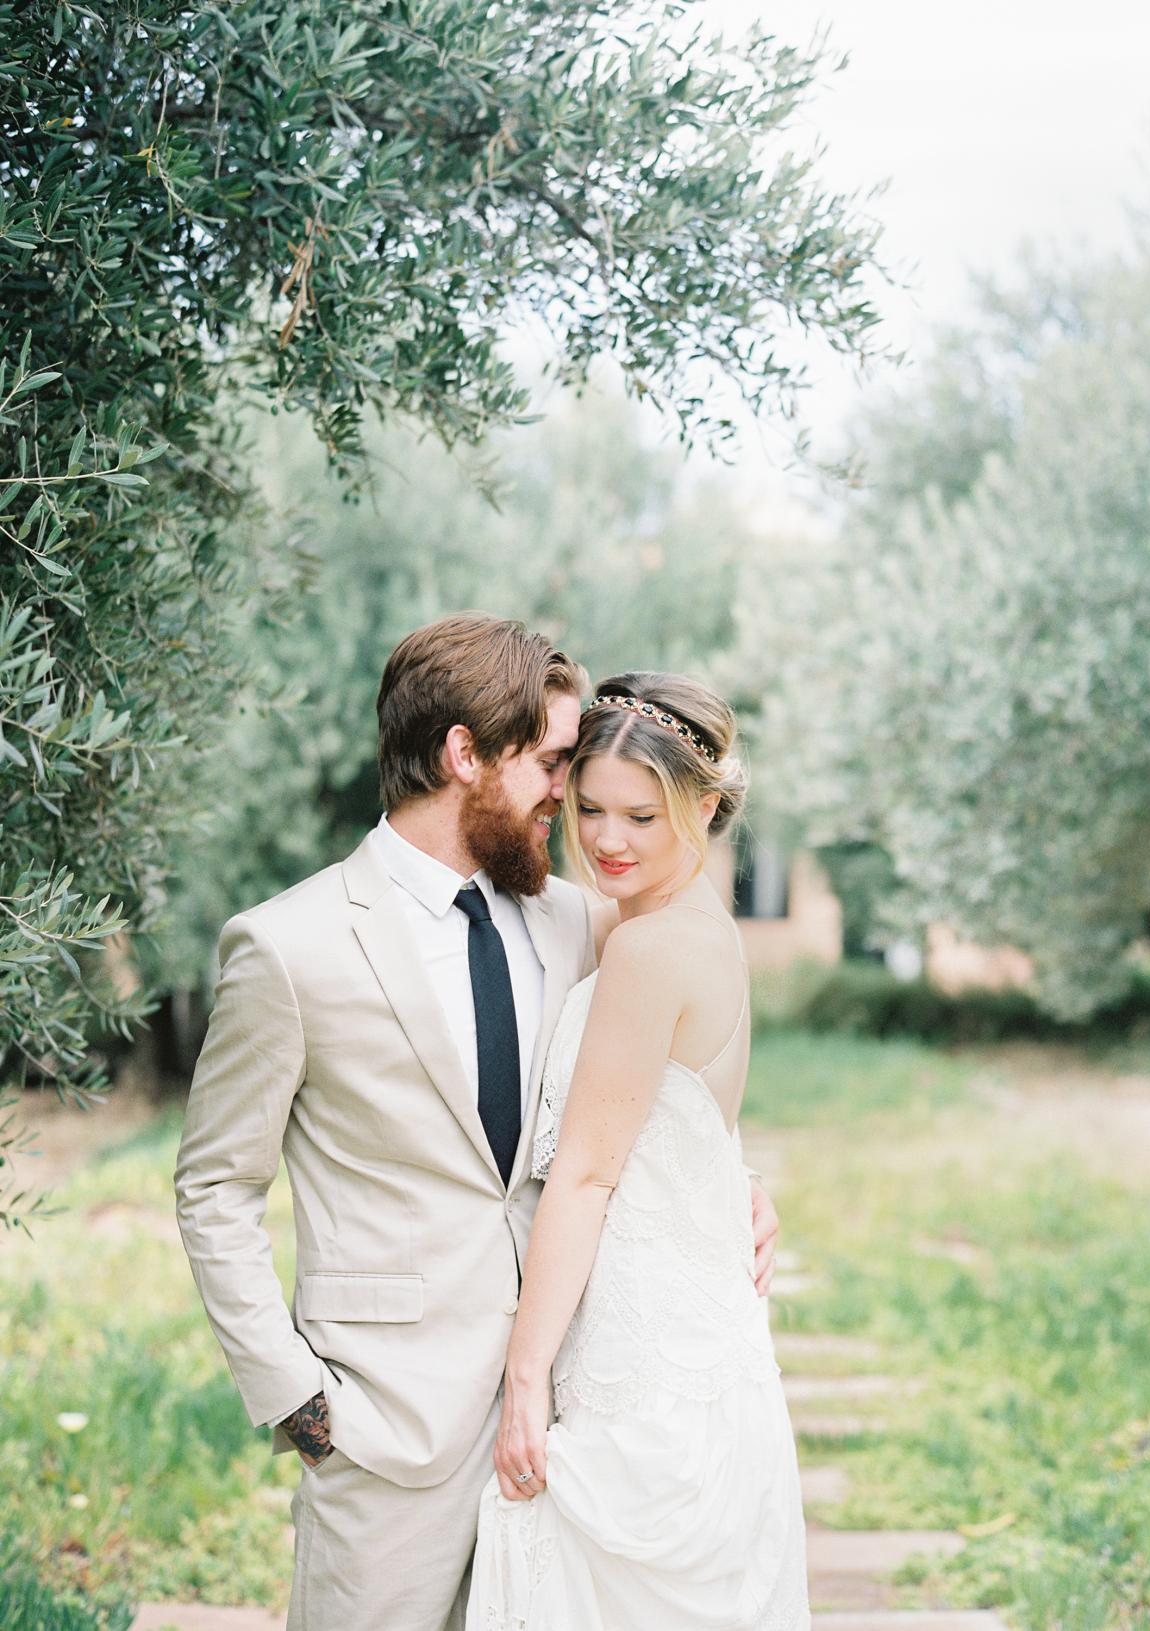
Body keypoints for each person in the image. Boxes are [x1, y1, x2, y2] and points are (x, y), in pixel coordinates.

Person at [174, 615, 780, 1631]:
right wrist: (294, 1397)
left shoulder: (580, 918)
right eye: (551, 765)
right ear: (464, 755)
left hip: (564, 1423)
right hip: (384, 1434)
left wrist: (725, 1181)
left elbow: (645, 1091)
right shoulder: (287, 947)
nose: (571, 799)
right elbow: (214, 1187)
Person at [467, 674, 809, 1631]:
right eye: (588, 809)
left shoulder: (649, 949)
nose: (608, 840)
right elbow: (691, 1127)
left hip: (642, 1366)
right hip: (702, 1342)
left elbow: (584, 1174)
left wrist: (523, 1377)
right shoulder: (688, 924)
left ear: (703, 806)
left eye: (641, 816)